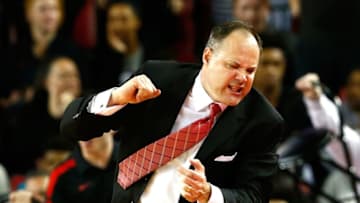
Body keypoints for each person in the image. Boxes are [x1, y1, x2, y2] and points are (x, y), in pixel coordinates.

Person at [61, 21, 284, 203]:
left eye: (250, 70)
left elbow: (255, 196)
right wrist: (116, 97)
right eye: (233, 66)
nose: (242, 78)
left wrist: (209, 195)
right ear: (207, 57)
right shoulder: (157, 78)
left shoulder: (262, 121)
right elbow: (73, 128)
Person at [46, 131, 118, 203]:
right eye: (78, 127)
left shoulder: (128, 157)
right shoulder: (61, 174)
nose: (83, 134)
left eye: (91, 126)